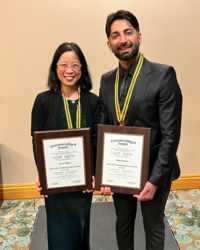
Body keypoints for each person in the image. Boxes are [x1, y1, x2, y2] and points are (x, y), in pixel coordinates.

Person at [99, 10, 182, 250]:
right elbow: (104, 129)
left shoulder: (162, 75)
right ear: (109, 44)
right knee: (123, 223)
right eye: (115, 35)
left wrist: (155, 180)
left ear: (139, 36)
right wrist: (105, 174)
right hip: (120, 171)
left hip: (154, 171)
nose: (122, 39)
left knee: (153, 226)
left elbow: (170, 135)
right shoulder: (106, 81)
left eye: (128, 32)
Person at [31, 42, 99, 250]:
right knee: (59, 231)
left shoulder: (92, 101)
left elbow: (95, 139)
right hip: (56, 181)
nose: (69, 70)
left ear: (82, 69)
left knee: (81, 227)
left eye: (75, 65)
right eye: (63, 64)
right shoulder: (42, 101)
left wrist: (93, 172)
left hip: (83, 182)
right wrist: (42, 172)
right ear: (55, 68)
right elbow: (36, 140)